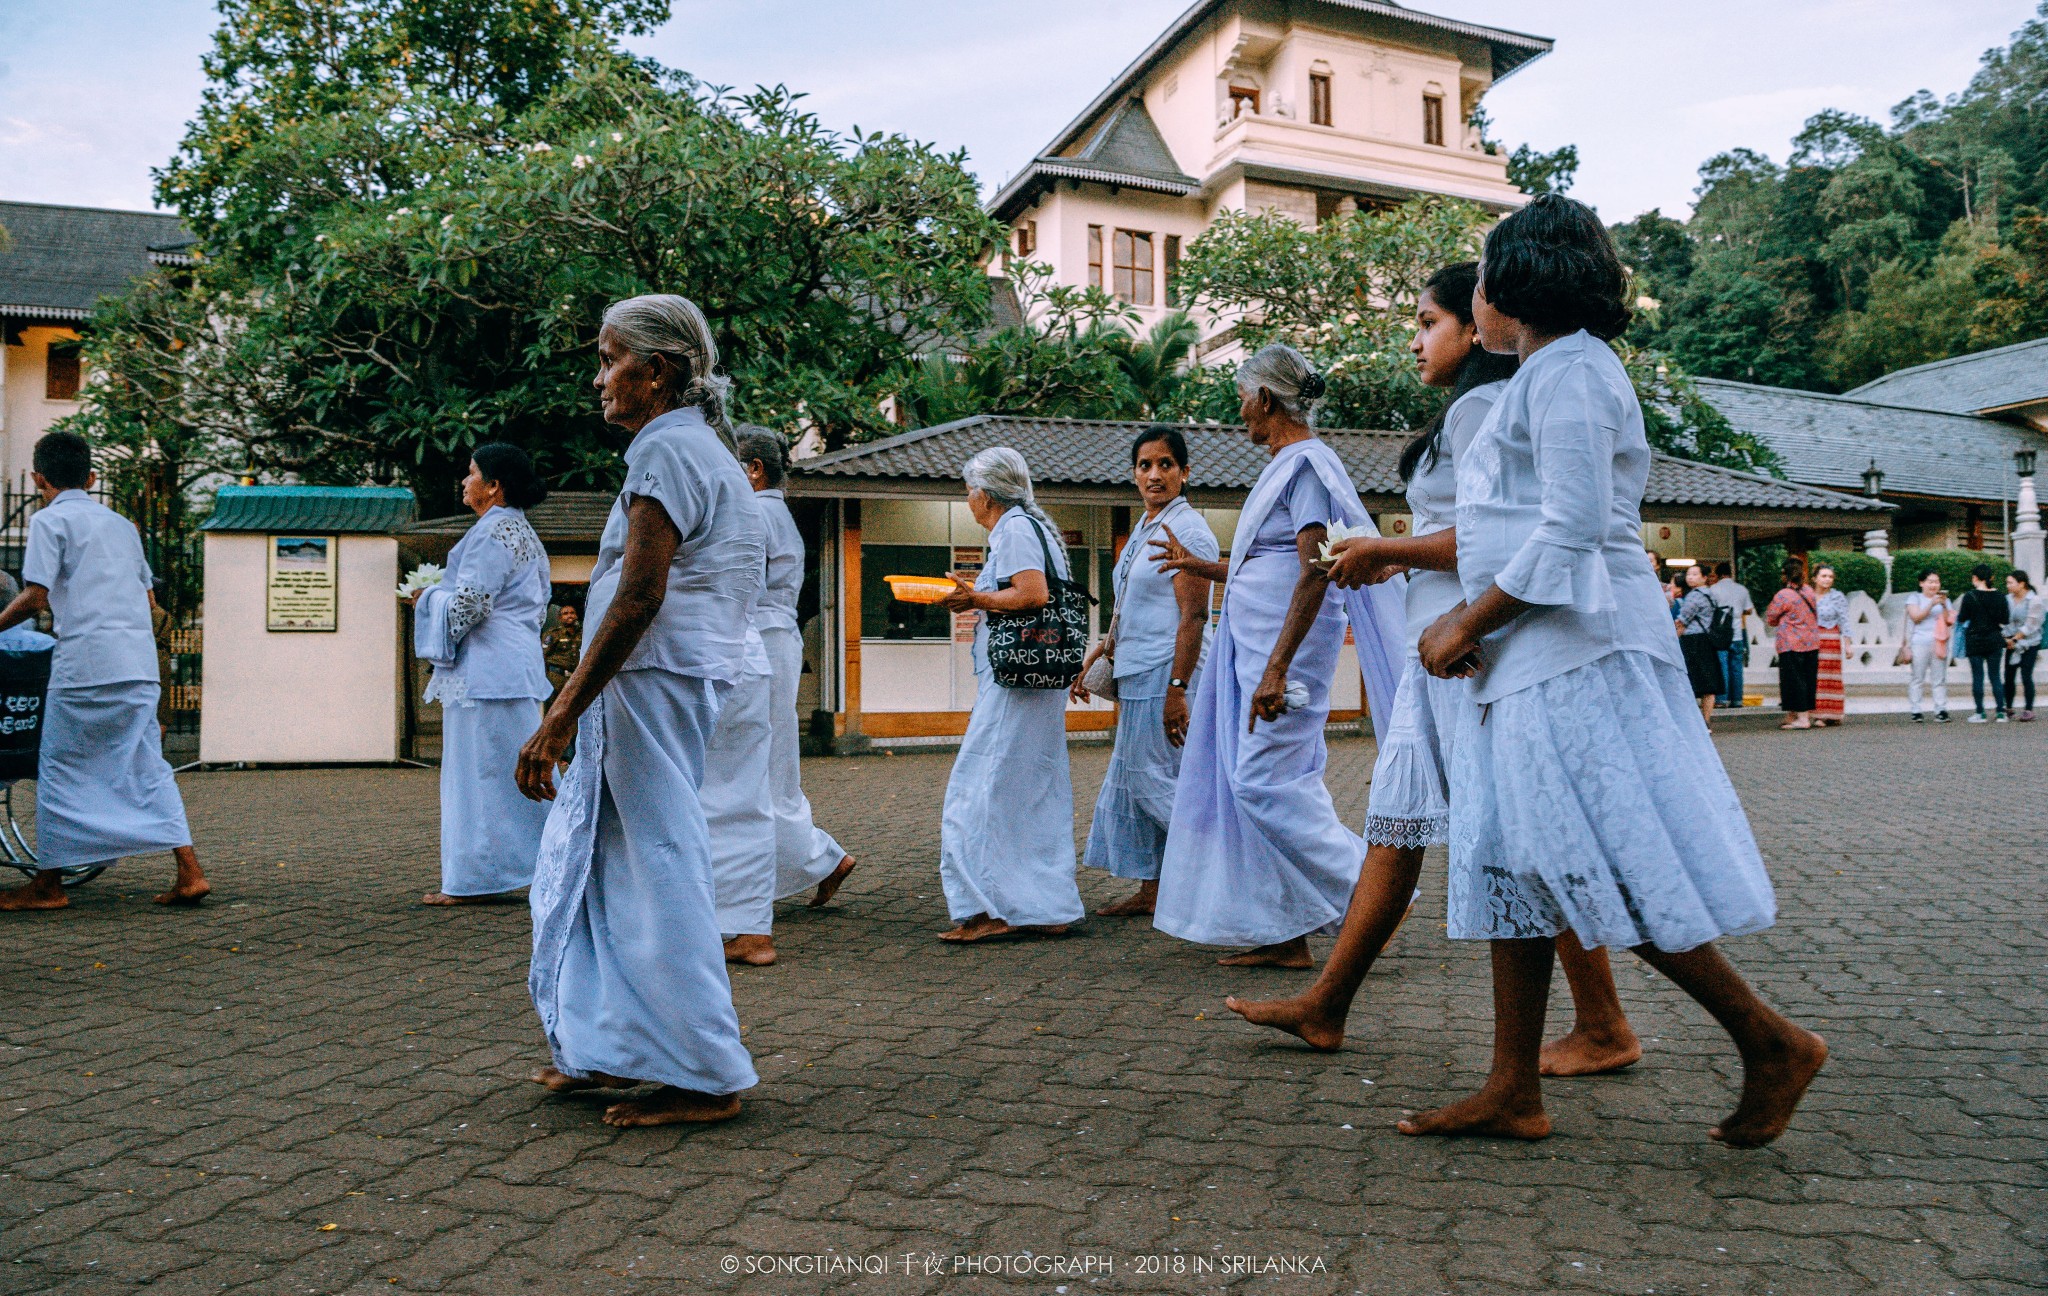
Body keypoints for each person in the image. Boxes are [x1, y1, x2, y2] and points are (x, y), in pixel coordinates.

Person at [1405, 194, 1824, 1146]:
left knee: (1600, 857)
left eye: (1480, 280)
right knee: (1514, 858)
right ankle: (1513, 1086)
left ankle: (1768, 1041)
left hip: (1577, 652)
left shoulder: (1573, 376)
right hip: (1528, 651)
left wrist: (1462, 621)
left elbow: (1573, 533)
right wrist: (1479, 625)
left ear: (1514, 287)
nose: (1472, 301)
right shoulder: (1542, 376)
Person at [1226, 261, 1643, 1078]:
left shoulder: (1490, 403)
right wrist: (1395, 559)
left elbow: (1503, 535)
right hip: (1440, 643)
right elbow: (1458, 535)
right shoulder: (1471, 407)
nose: (1415, 340)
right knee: (1395, 831)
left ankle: (1604, 1022)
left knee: (1523, 844)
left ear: (1475, 324)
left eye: (1428, 323)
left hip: (1471, 650)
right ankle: (1329, 1002)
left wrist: (1386, 548)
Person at [516, 294, 763, 1128]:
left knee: (655, 862)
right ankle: (610, 1044)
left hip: (648, 683)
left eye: (609, 358)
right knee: (612, 862)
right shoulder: (692, 450)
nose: (598, 378)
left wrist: (561, 711)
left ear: (654, 373)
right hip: (663, 682)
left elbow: (638, 597)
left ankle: (703, 1069)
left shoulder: (669, 455)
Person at [1150, 343, 1406, 969]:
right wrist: (1203, 565)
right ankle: (1285, 931)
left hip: (1281, 662)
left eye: (1244, 399)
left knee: (1266, 784)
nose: (1241, 413)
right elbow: (1261, 562)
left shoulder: (1306, 468)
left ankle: (1371, 902)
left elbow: (1315, 569)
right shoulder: (1287, 466)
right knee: (1256, 784)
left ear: (1265, 399)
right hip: (1255, 654)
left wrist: (1276, 667)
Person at [0, 432, 209, 912]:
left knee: (59, 768)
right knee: (146, 766)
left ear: (38, 479)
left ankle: (48, 886)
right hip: (136, 664)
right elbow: (149, 602)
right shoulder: (123, 526)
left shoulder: (49, 521)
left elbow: (36, 595)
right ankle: (189, 871)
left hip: (85, 666)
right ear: (92, 478)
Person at [934, 447, 1086, 943]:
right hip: (1037, 681)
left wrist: (973, 597)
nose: (967, 501)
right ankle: (1044, 904)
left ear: (984, 495)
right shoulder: (1034, 526)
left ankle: (983, 909)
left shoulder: (1016, 528)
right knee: (1032, 793)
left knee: (977, 791)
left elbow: (1032, 594)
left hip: (1016, 684)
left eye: (968, 491)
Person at [1071, 427, 1218, 917]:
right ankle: (1154, 890)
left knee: (1150, 776)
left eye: (1166, 464)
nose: (1154, 474)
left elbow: (1193, 616)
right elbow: (1135, 606)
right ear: (1134, 474)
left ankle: (1228, 868)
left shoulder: (1188, 530)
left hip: (1164, 670)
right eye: (1145, 465)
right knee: (1139, 776)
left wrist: (1177, 690)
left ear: (1185, 472)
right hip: (1136, 667)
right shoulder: (1146, 525)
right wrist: (1101, 651)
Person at [412, 444, 553, 906]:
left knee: (479, 777)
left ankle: (475, 878)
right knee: (504, 773)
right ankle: (539, 861)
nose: (464, 481)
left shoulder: (494, 532)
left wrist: (426, 602)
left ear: (494, 486)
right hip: (510, 665)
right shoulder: (521, 532)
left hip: (488, 670)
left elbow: (473, 604)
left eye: (472, 473)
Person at [734, 426, 857, 913]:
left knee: (760, 762)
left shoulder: (756, 514)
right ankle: (820, 858)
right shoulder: (776, 512)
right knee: (770, 763)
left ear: (755, 470)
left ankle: (819, 858)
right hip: (774, 639)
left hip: (763, 640)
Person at [1765, 560, 1820, 730]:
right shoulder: (1810, 591)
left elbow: (1771, 618)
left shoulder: (1783, 595)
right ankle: (1799, 715)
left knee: (1793, 680)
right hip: (1811, 642)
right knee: (1808, 679)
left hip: (1790, 643)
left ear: (1785, 576)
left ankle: (1802, 719)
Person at [1955, 563, 2010, 722]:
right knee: (1995, 677)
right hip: (1994, 639)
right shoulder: (2000, 596)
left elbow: (1962, 618)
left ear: (1975, 578)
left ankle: (1980, 712)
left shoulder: (1969, 596)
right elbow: (2005, 619)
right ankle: (2001, 712)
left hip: (1975, 640)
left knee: (1978, 677)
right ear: (1991, 578)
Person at [1674, 563, 1725, 728]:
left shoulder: (1694, 596)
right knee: (1708, 684)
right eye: (1689, 574)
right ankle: (1706, 721)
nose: (1690, 577)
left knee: (1691, 681)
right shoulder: (1710, 594)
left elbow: (1682, 622)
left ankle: (1693, 723)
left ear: (1704, 578)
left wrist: (1673, 640)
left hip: (1693, 641)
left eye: (1695, 574)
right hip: (1706, 640)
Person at [1904, 569, 1954, 723]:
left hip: (1939, 641)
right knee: (1918, 677)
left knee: (1939, 677)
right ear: (1922, 583)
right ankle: (1916, 710)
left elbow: (1949, 621)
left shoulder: (1944, 600)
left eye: (1936, 582)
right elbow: (1916, 617)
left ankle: (1940, 709)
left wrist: (1944, 606)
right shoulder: (1914, 598)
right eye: (1930, 581)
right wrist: (1932, 604)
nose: (1934, 585)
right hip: (1919, 641)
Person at [1705, 561, 1753, 708]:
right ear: (1731, 574)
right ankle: (1737, 699)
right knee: (1737, 667)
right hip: (1737, 633)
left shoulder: (1713, 589)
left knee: (1722, 666)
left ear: (1718, 575)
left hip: (1719, 634)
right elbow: (1749, 610)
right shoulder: (1741, 589)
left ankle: (1721, 700)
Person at [1811, 564, 1848, 726]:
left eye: (1830, 577)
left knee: (1830, 675)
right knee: (1815, 675)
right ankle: (1817, 713)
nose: (1827, 580)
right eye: (1824, 576)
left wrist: (1848, 644)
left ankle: (1831, 713)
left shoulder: (1837, 596)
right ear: (1815, 578)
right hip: (1811, 639)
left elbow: (1844, 620)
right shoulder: (1808, 595)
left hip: (1830, 638)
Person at [2004, 570, 2042, 721]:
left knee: (2026, 675)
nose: (2007, 585)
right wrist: (2007, 638)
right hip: (2011, 642)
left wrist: (2014, 639)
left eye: (2010, 583)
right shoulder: (2007, 599)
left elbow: (2031, 625)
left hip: (2029, 643)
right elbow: (2004, 620)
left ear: (2021, 584)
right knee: (2008, 676)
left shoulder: (2034, 600)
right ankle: (2008, 707)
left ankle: (2028, 709)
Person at [541, 601, 581, 701]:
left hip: (577, 679)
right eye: (565, 614)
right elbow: (543, 656)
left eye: (572, 613)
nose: (569, 616)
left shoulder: (583, 633)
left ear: (576, 616)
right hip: (557, 679)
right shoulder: (553, 634)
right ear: (559, 618)